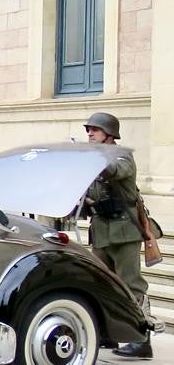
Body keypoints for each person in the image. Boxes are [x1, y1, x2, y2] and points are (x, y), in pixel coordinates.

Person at [84, 112, 155, 358]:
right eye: (88, 130)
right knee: (102, 283)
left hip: (124, 231)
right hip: (102, 231)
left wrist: (88, 159)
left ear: (109, 134)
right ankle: (111, 334)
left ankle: (142, 339)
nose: (90, 133)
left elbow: (113, 170)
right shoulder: (94, 156)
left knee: (131, 285)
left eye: (95, 129)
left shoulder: (122, 154)